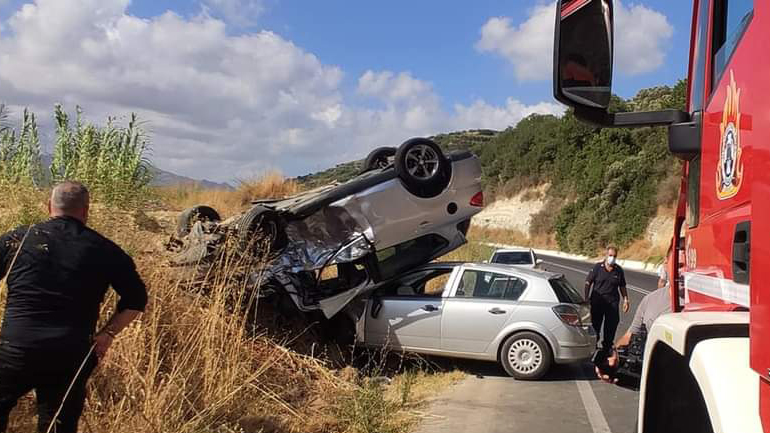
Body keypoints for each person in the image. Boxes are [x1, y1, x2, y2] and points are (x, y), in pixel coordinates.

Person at [0, 181, 148, 433]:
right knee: (57, 424)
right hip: (70, 353)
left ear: (48, 206)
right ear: (86, 210)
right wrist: (108, 334)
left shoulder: (18, 240)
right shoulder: (106, 250)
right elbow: (137, 300)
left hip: (16, 348)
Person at [596, 247, 673, 383]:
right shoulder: (650, 300)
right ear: (666, 264)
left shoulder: (709, 306)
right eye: (679, 265)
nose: (684, 271)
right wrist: (613, 360)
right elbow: (629, 336)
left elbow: (622, 286)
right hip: (655, 387)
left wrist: (625, 299)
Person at [585, 246, 629, 351]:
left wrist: (626, 299)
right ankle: (593, 346)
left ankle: (607, 347)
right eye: (610, 255)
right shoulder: (597, 268)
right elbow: (588, 282)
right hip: (597, 302)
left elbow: (622, 286)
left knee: (611, 325)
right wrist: (586, 298)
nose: (612, 258)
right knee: (595, 325)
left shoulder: (618, 270)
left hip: (612, 303)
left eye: (614, 256)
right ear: (606, 255)